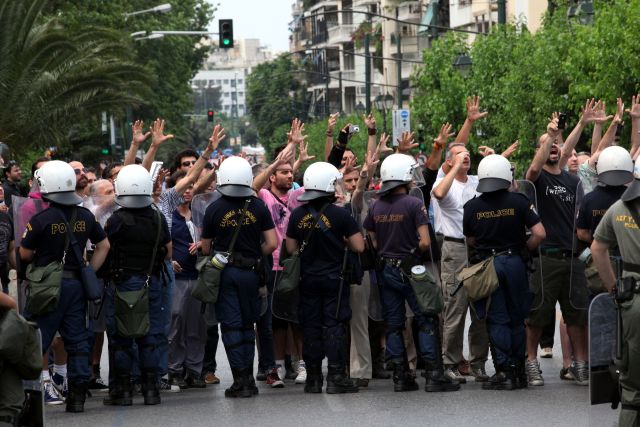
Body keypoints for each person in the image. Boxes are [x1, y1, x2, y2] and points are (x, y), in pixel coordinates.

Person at [19, 160, 110, 413]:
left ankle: (31, 396)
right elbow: (104, 246)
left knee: (37, 339)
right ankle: (78, 396)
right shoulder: (85, 216)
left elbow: (25, 254)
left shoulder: (40, 220)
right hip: (76, 286)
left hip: (47, 288)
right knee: (78, 341)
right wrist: (89, 271)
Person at [364, 153, 459, 393]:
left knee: (394, 324)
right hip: (411, 269)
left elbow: (373, 241)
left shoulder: (376, 206)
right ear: (403, 177)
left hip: (387, 269)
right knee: (425, 318)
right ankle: (434, 374)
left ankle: (400, 375)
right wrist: (411, 254)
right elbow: (426, 242)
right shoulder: (414, 204)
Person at [463, 155, 546, 389]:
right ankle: (519, 370)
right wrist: (523, 250)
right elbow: (540, 233)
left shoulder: (472, 207)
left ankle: (504, 370)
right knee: (518, 317)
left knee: (497, 317)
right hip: (515, 262)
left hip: (489, 265)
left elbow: (470, 240)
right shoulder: (519, 201)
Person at [524, 110, 594, 387]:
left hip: (572, 256)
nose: (553, 147)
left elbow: (565, 152)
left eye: (556, 144)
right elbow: (532, 169)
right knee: (538, 313)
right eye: (547, 144)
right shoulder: (537, 178)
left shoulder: (573, 180)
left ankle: (579, 365)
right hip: (546, 257)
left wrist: (581, 123)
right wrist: (550, 135)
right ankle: (531, 363)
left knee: (576, 313)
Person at [201, 156, 277, 398]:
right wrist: (254, 255)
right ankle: (251, 383)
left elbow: (204, 248)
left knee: (231, 326)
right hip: (252, 273)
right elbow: (272, 243)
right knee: (248, 325)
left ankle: (240, 380)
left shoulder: (214, 208)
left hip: (226, 273)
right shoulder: (258, 207)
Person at [286, 161, 364, 394]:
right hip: (334, 279)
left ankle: (313, 379)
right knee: (334, 326)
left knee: (310, 326)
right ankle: (336, 377)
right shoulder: (340, 215)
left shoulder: (297, 214)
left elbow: (291, 248)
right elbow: (359, 246)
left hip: (307, 278)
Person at [102, 164, 172, 406]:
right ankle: (151, 390)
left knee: (121, 337)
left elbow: (105, 249)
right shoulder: (158, 218)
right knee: (149, 336)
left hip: (121, 283)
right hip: (151, 281)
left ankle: (122, 391)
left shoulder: (115, 221)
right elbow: (168, 251)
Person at [432, 143, 489, 383]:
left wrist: (492, 161)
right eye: (458, 154)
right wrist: (454, 168)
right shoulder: (445, 182)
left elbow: (507, 188)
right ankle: (450, 362)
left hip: (480, 249)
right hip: (455, 249)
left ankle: (478, 362)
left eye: (467, 153)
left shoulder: (477, 181)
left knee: (482, 310)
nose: (465, 156)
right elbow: (439, 194)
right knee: (455, 307)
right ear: (449, 161)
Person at [591, 160, 640, 427]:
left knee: (633, 382)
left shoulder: (618, 209)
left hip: (633, 300)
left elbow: (598, 249)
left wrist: (614, 288)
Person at [167, 170, 207, 389]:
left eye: (191, 186)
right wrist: (169, 259)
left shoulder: (200, 212)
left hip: (198, 276)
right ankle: (174, 370)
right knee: (175, 325)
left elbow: (212, 239)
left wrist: (203, 244)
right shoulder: (168, 214)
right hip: (177, 278)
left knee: (197, 328)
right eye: (183, 187)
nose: (188, 191)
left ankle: (195, 370)